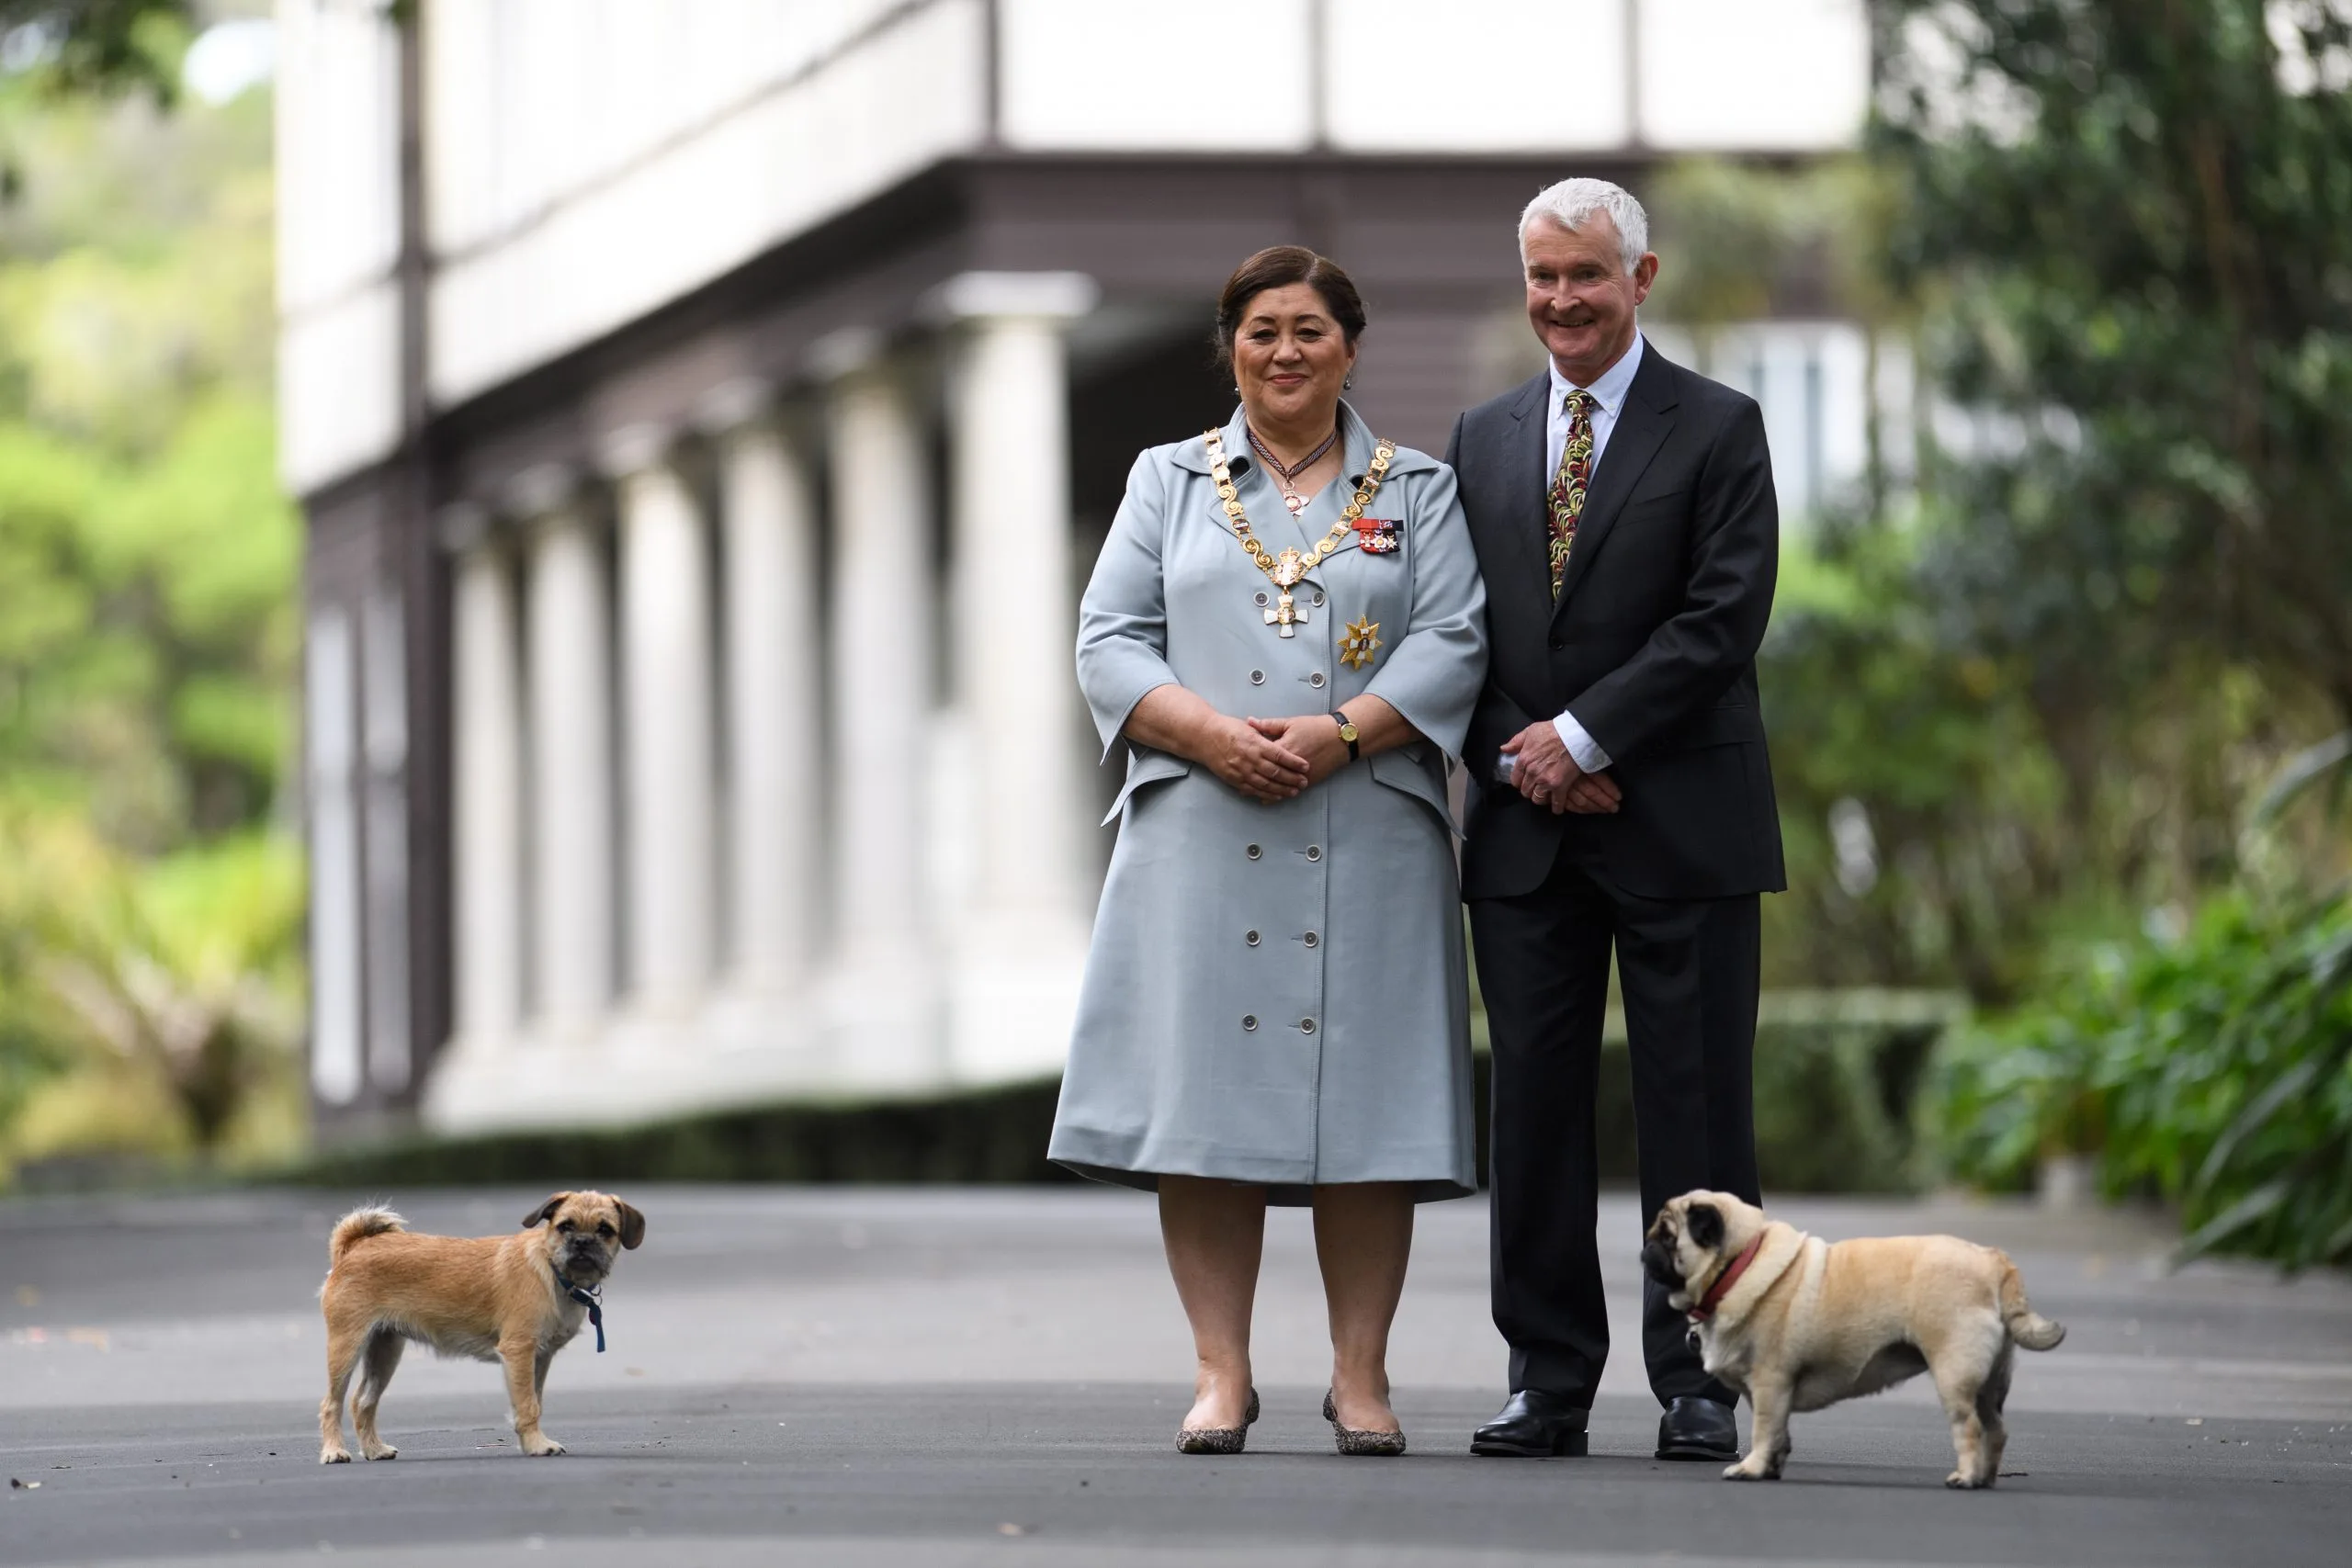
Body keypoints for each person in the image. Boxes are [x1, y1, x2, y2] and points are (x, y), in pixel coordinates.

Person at [1050, 246, 1488, 1459]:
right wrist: (1210, 734)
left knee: (1373, 1109)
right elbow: (1108, 640)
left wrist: (1342, 733)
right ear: (1228, 347)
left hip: (1370, 824)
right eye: (1260, 331)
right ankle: (1220, 1373)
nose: (1284, 350)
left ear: (1350, 347)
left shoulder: (1419, 491)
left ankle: (1360, 1376)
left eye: (1309, 330)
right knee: (1204, 1108)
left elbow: (1454, 637)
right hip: (1201, 818)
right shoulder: (1166, 480)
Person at [1444, 178, 1786, 1463]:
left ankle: (1706, 1378)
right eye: (1542, 276)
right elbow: (1453, 633)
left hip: (1681, 819)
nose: (1561, 300)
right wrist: (1526, 761)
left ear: (1641, 279)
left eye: (1586, 275)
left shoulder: (1722, 426)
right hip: (1530, 835)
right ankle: (1547, 1377)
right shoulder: (1479, 436)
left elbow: (1723, 615)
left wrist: (1585, 737)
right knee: (1531, 1114)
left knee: (1697, 1116)